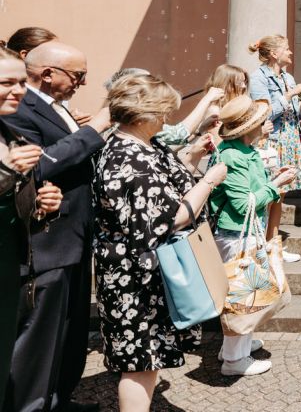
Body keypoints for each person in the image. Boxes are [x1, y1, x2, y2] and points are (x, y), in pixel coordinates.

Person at [92, 74, 228, 410]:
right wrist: (210, 181)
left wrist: (193, 154)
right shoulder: (126, 156)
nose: (167, 118)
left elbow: (167, 181)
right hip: (133, 275)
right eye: (163, 112)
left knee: (147, 360)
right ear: (142, 114)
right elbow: (171, 216)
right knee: (139, 362)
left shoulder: (144, 144)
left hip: (146, 270)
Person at [4, 41, 112, 412]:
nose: (82, 83)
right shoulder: (18, 110)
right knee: (39, 338)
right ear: (48, 74)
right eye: (78, 75)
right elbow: (38, 168)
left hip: (76, 236)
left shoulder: (57, 107)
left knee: (69, 331)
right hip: (46, 240)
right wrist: (94, 129)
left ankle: (58, 397)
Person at [209, 95, 296, 377]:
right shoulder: (232, 155)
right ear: (249, 127)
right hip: (235, 234)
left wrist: (273, 180)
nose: (265, 125)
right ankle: (234, 360)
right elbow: (242, 204)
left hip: (244, 232)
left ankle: (235, 346)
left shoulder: (244, 150)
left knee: (247, 293)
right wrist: (276, 185)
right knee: (241, 296)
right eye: (261, 122)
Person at [0, 47, 63, 407]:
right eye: (7, 82)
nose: (19, 91)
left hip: (10, 267)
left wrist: (41, 205)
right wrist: (8, 171)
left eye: (22, 82)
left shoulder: (10, 130)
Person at [248, 35, 301, 256]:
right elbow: (264, 112)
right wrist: (291, 94)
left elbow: (293, 113)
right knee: (268, 193)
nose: (291, 52)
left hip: (289, 141)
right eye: (286, 49)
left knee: (280, 194)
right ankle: (259, 244)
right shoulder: (259, 78)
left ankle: (273, 244)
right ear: (275, 53)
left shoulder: (288, 77)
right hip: (271, 142)